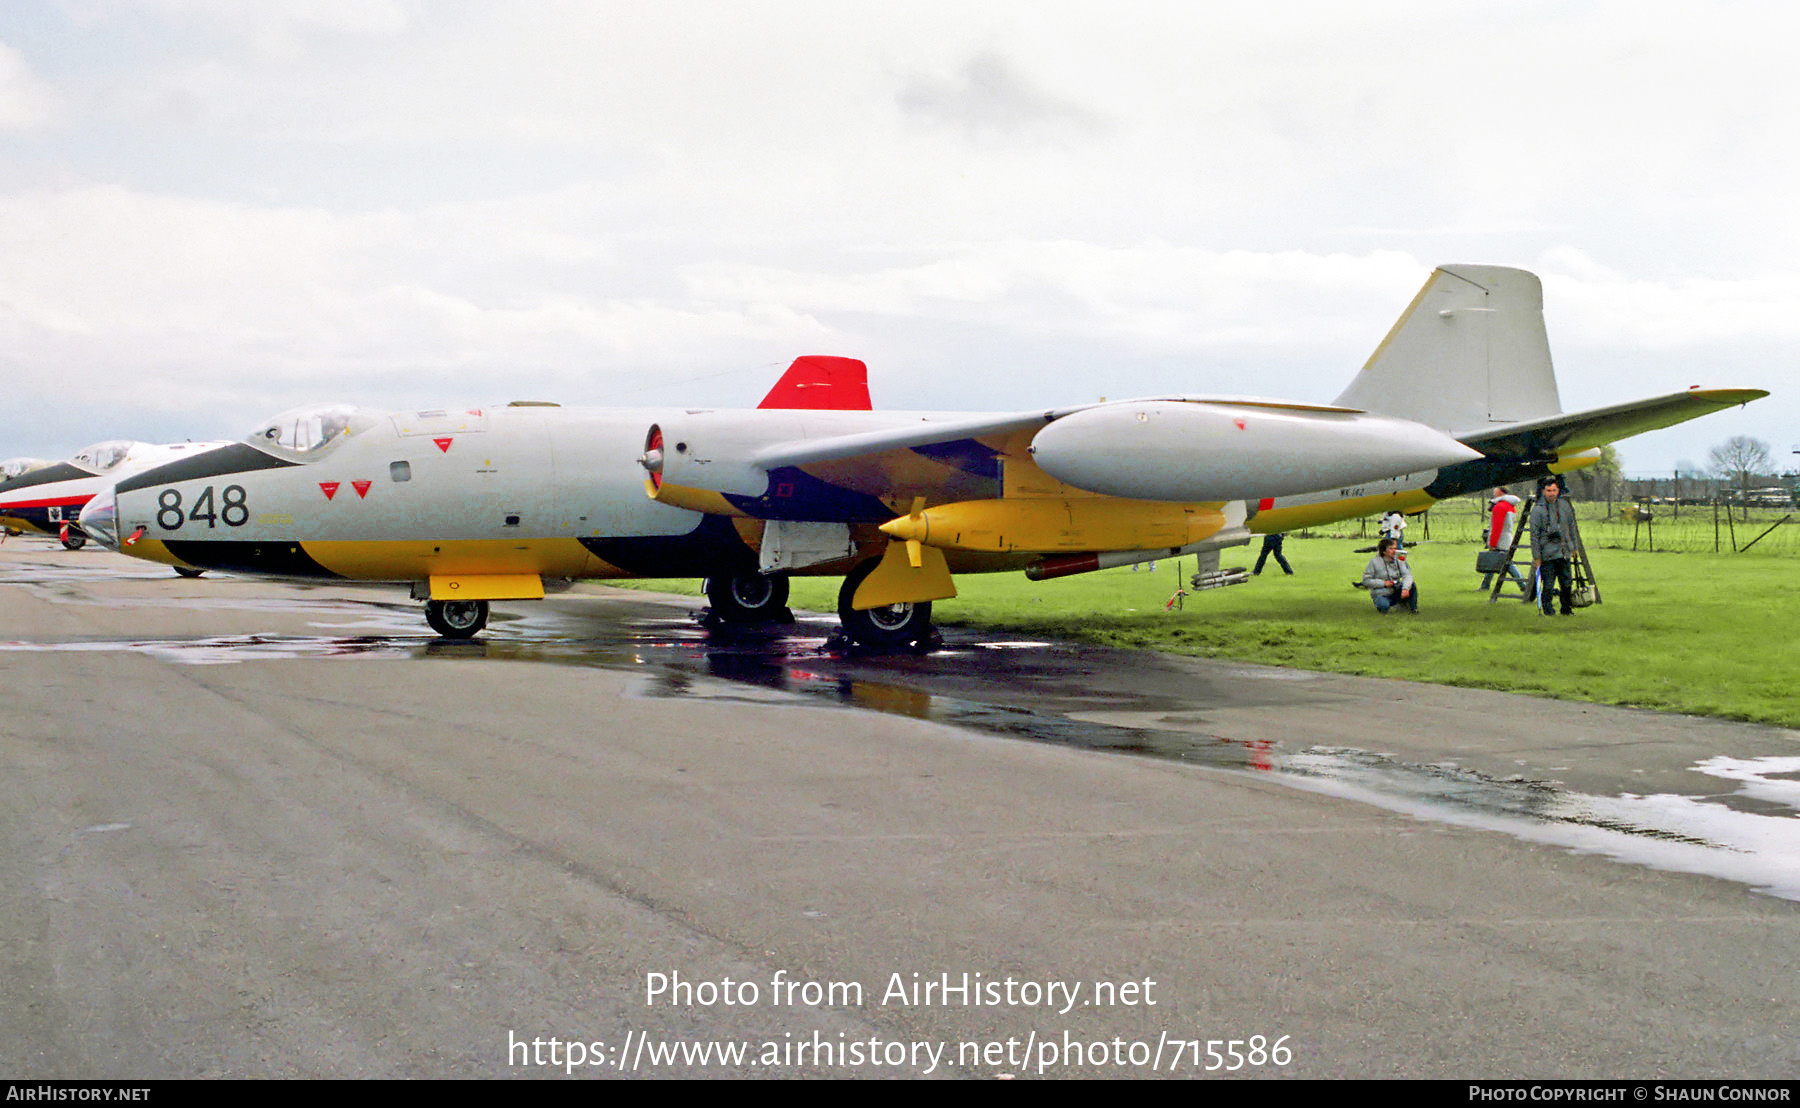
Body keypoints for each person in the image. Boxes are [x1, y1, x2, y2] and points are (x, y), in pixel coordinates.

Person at [1530, 477, 1582, 616]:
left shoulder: (1565, 506)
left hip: (1564, 551)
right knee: (1548, 585)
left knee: (1566, 584)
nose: (1551, 493)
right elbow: (1534, 536)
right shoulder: (1537, 510)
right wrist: (1537, 557)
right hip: (1547, 554)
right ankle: (1548, 609)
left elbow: (1572, 528)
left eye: (1554, 490)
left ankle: (1566, 608)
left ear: (1558, 491)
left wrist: (1574, 548)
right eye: (1548, 491)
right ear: (1543, 492)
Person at [1479, 487, 1526, 590]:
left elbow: (1497, 528)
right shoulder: (1511, 506)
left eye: (1495, 490)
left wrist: (1492, 543)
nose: (1493, 492)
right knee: (1493, 561)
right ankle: (1485, 585)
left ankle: (1523, 585)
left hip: (1500, 540)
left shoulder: (1499, 507)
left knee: (1508, 564)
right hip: (1507, 538)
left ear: (1500, 492)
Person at [1361, 537, 1417, 613]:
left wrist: (1405, 588)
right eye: (1391, 549)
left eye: (1395, 548)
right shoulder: (1374, 562)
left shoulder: (1399, 560)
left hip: (1395, 590)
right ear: (1384, 551)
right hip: (1381, 593)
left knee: (1412, 585)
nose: (1394, 551)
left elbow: (1407, 575)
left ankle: (1413, 609)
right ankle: (1384, 604)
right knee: (1384, 607)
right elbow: (1366, 580)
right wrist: (1383, 583)